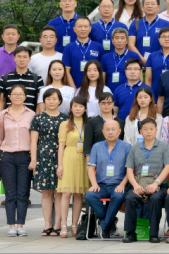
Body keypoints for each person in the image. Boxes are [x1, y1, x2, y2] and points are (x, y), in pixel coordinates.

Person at [122, 118, 169, 243]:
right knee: (130, 198)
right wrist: (135, 186)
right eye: (145, 129)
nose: (148, 131)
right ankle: (130, 233)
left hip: (159, 185)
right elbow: (129, 169)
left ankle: (153, 234)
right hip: (139, 183)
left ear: (156, 130)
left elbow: (168, 167)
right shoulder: (135, 148)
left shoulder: (164, 146)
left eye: (151, 129)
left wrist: (156, 183)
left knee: (155, 198)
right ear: (140, 131)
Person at [0, 85, 35, 236]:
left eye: (20, 94)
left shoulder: (31, 114)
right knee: (10, 193)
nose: (17, 96)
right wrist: (3, 153)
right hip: (7, 157)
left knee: (23, 192)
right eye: (14, 94)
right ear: (9, 96)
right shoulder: (2, 114)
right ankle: (11, 225)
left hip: (26, 156)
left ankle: (21, 225)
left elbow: (34, 138)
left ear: (25, 96)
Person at [85, 119, 131, 239]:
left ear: (119, 131)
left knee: (118, 196)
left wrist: (122, 184)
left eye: (113, 129)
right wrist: (94, 184)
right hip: (101, 185)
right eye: (107, 129)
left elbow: (130, 170)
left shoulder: (127, 147)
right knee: (90, 196)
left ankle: (104, 225)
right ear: (103, 132)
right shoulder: (96, 147)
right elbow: (91, 168)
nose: (110, 132)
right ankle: (108, 221)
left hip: (118, 184)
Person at [30, 88, 67, 236]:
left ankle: (57, 224)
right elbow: (34, 141)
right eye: (48, 99)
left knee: (59, 192)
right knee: (46, 193)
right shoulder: (38, 118)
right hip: (43, 157)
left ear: (60, 101)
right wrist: (34, 159)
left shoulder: (65, 118)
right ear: (44, 101)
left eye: (54, 99)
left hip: (60, 157)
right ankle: (47, 225)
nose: (51, 101)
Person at [57, 96, 90, 237]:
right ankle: (64, 225)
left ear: (85, 108)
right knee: (66, 193)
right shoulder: (65, 124)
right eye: (75, 106)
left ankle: (75, 225)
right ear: (71, 108)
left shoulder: (88, 124)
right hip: (68, 157)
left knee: (78, 194)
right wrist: (60, 165)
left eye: (81, 106)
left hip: (83, 159)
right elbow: (61, 146)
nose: (78, 109)